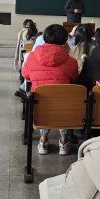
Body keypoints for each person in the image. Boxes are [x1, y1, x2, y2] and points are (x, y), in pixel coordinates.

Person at [22, 24, 79, 156]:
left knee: (42, 101)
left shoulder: (32, 56)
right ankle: (63, 141)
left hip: (39, 106)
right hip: (63, 106)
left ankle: (43, 140)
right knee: (64, 100)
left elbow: (26, 75)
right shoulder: (71, 61)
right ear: (65, 40)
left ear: (45, 37)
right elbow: (75, 79)